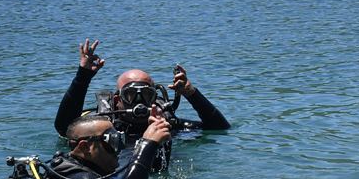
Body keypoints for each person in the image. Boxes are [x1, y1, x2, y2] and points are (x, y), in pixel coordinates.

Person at [54, 39, 230, 138]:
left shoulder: (168, 125)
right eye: (130, 94)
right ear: (117, 100)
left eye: (146, 94)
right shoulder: (104, 126)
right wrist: (82, 76)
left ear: (155, 98)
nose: (139, 101)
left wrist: (191, 93)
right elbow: (65, 128)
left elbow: (219, 128)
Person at [44, 112, 171, 179]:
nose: (119, 147)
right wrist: (147, 144)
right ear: (85, 147)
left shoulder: (93, 170)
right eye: (111, 140)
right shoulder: (79, 178)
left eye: (118, 139)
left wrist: (158, 139)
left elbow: (155, 172)